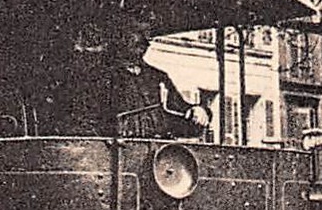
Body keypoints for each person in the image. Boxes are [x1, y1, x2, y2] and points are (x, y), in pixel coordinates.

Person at [52, 9, 208, 140]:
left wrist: (199, 112)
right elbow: (82, 125)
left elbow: (181, 118)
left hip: (157, 164)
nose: (146, 41)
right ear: (120, 36)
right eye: (139, 33)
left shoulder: (157, 78)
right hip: (115, 162)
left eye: (149, 34)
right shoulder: (99, 76)